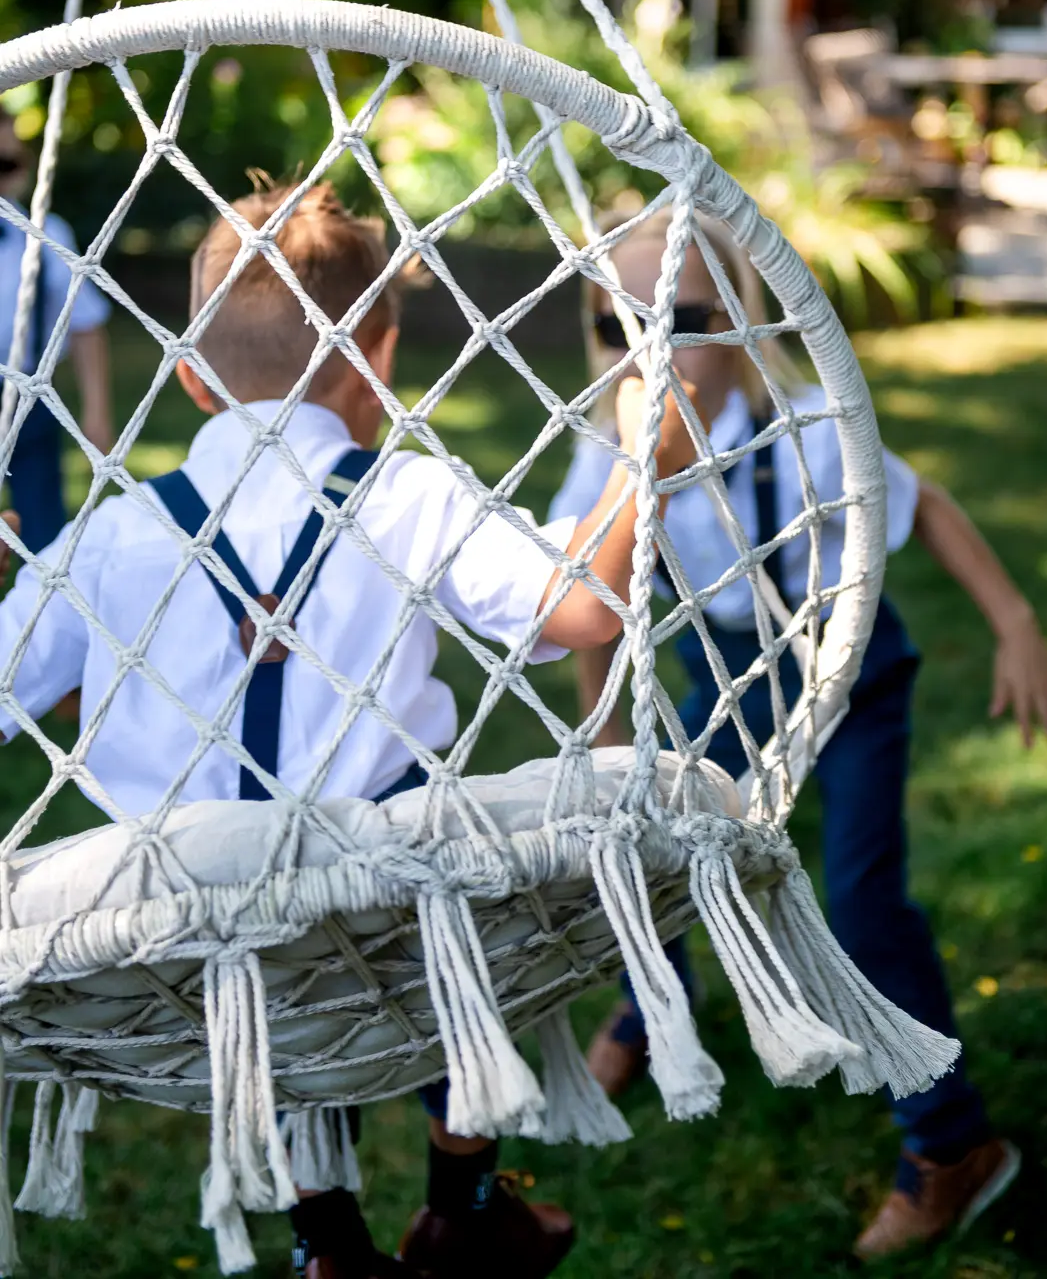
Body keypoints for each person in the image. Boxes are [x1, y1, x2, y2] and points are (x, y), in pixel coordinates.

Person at [0, 181, 698, 1279]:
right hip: (387, 915)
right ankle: (463, 1202)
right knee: (457, 895)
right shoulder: (407, 496)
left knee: (276, 964)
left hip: (187, 942)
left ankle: (325, 1241)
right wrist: (639, 463)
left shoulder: (110, 536)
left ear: (188, 378)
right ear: (378, 363)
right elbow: (578, 610)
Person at [548, 205, 1047, 1262]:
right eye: (618, 326)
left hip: (849, 680)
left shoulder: (808, 433)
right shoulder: (607, 453)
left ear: (741, 317)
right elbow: (586, 594)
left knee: (860, 906)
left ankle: (950, 1144)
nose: (649, 349)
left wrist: (1015, 624)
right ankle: (652, 1010)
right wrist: (599, 724)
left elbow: (927, 507)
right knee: (638, 846)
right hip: (732, 688)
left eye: (681, 318)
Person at [0, 111, 113, 552]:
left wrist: (96, 413)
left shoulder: (46, 232)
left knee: (44, 535)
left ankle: (41, 592)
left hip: (28, 396)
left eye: (12, 162)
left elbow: (85, 324)